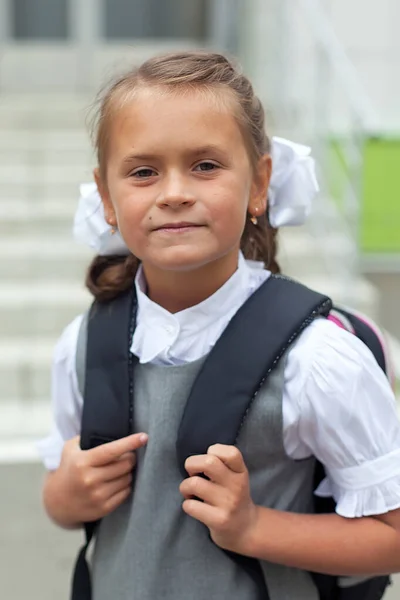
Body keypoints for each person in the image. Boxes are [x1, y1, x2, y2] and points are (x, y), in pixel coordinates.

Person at [38, 51, 400, 600]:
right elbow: (62, 501)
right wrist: (67, 494)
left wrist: (253, 526)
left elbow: (390, 536)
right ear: (107, 197)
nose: (175, 191)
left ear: (259, 183)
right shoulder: (83, 345)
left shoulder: (319, 359)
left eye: (205, 165)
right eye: (143, 171)